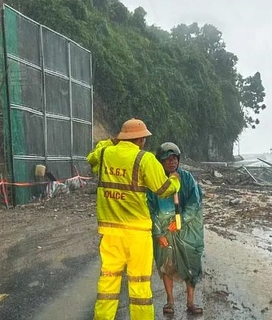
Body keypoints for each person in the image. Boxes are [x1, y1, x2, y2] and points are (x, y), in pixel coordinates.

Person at [86, 118, 181, 320]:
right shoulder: (144, 159)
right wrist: (174, 181)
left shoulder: (104, 153)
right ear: (141, 140)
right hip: (137, 234)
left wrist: (112, 141)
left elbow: (92, 159)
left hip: (110, 233)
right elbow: (163, 190)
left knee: (108, 282)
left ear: (122, 137)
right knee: (139, 284)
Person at [147, 142, 204, 315]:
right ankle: (170, 301)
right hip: (164, 228)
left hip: (186, 228)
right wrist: (158, 232)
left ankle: (190, 302)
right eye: (167, 159)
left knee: (191, 263)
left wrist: (181, 221)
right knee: (166, 265)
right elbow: (150, 208)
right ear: (160, 161)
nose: (172, 162)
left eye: (174, 158)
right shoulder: (155, 181)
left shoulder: (187, 178)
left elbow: (195, 203)